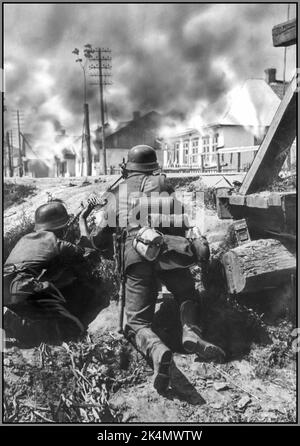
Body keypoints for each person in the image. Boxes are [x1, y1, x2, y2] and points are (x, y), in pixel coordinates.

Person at [87, 145, 225, 393]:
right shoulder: (163, 186)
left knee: (136, 323)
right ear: (154, 167)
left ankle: (157, 350)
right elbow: (182, 221)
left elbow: (99, 240)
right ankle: (191, 333)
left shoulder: (119, 192)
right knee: (187, 294)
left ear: (127, 167)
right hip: (167, 251)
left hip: (136, 257)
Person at [4, 199, 101, 344]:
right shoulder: (58, 243)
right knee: (74, 328)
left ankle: (14, 321)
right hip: (24, 287)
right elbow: (91, 255)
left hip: (5, 287)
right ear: (61, 227)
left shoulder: (24, 239)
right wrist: (82, 219)